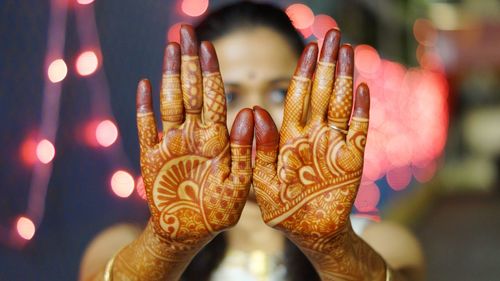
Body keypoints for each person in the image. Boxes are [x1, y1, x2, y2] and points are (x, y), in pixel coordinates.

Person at [79, 2, 424, 280]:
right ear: (188, 108)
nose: (255, 118)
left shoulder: (378, 245)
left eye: (279, 92)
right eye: (228, 97)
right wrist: (167, 246)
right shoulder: (122, 247)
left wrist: (331, 248)